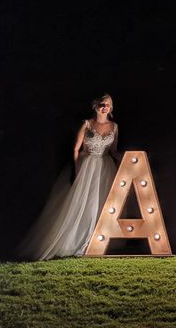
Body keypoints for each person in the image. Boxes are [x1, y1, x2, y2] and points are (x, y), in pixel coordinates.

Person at [19, 94, 119, 260]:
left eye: (108, 105)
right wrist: (77, 170)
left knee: (101, 203)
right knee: (83, 202)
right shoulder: (87, 124)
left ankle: (96, 241)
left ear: (111, 108)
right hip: (87, 165)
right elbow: (76, 149)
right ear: (95, 106)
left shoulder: (114, 127)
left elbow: (113, 150)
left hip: (105, 167)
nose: (105, 107)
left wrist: (126, 158)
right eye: (102, 104)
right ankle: (75, 239)